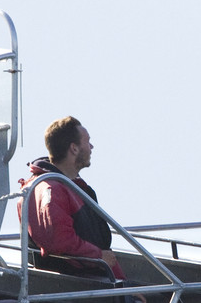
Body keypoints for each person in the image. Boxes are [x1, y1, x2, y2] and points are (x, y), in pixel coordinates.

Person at [16, 116, 125, 282]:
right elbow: (58, 241)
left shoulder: (76, 189)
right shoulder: (49, 188)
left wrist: (124, 284)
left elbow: (103, 249)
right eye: (88, 142)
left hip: (95, 281)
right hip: (75, 287)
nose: (92, 147)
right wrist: (98, 256)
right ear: (74, 148)